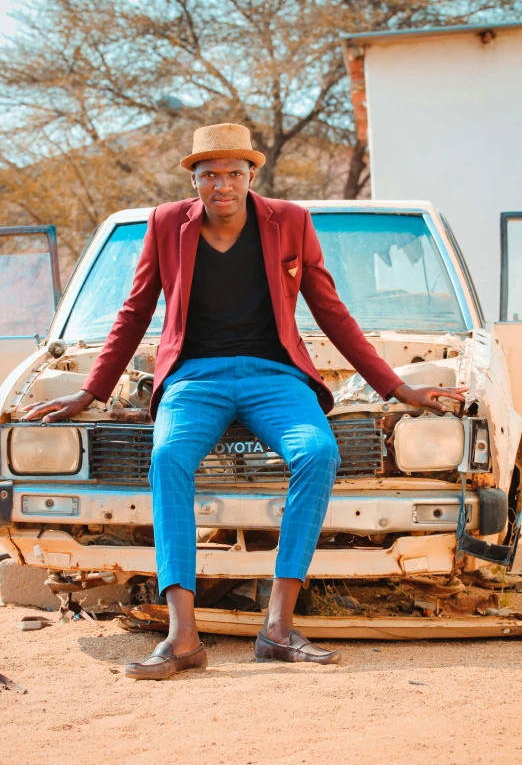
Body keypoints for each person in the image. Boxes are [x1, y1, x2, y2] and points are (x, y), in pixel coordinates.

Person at [24, 123, 466, 679]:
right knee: (167, 459)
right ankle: (183, 638)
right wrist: (89, 391)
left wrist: (397, 388)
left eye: (234, 173)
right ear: (195, 180)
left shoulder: (290, 222)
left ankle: (278, 629)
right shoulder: (165, 225)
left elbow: (330, 310)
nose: (222, 185)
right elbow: (135, 312)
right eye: (210, 174)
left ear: (252, 175)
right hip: (193, 378)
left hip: (275, 376)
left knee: (318, 452)